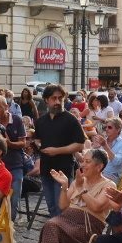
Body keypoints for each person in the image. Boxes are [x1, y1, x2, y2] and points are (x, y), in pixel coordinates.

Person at [32, 149, 116, 243]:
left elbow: (97, 207)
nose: (82, 164)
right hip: (66, 219)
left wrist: (81, 188)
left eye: (87, 161)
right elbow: (63, 205)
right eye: (82, 161)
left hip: (88, 224)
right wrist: (65, 186)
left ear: (99, 166)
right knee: (52, 226)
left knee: (55, 230)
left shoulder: (109, 185)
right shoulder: (79, 181)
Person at [34, 84, 86, 218]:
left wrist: (57, 150)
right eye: (54, 98)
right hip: (46, 169)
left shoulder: (70, 119)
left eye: (60, 98)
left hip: (63, 170)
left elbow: (80, 144)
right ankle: (55, 228)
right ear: (46, 100)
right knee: (51, 207)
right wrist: (38, 144)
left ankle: (62, 229)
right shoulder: (41, 121)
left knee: (62, 207)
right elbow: (37, 139)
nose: (57, 101)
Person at [0, 95, 26, 220]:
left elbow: (23, 143)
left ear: (6, 107)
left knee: (13, 200)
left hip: (15, 165)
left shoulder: (17, 120)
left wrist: (9, 143)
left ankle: (9, 227)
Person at [93, 117, 122, 183]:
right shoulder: (102, 141)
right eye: (105, 127)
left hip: (112, 175)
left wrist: (105, 146)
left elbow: (117, 162)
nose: (106, 129)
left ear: (118, 129)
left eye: (110, 127)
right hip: (98, 173)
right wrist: (94, 148)